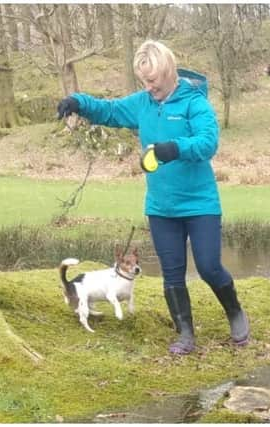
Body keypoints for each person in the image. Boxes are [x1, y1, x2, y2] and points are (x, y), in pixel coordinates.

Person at [56, 40, 249, 355]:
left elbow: (207, 142)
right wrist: (76, 102)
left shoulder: (194, 103)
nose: (149, 86)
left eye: (153, 80)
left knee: (209, 266)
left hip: (200, 204)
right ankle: (185, 333)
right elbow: (109, 110)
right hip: (161, 208)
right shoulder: (143, 103)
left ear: (170, 72)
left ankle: (235, 312)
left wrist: (172, 148)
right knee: (172, 272)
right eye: (144, 80)